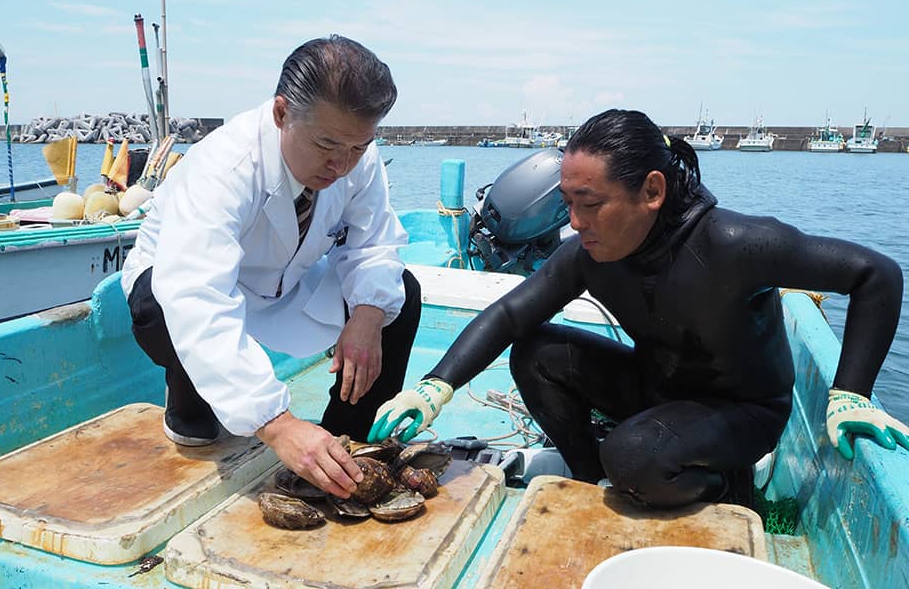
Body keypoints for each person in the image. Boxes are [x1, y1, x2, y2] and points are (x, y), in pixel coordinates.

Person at [369, 108, 907, 508]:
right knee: (536, 351)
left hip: (741, 414)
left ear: (652, 191)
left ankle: (725, 483)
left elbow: (875, 274)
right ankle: (588, 477)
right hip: (655, 390)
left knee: (632, 457)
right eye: (568, 204)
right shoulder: (591, 253)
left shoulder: (738, 244)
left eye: (592, 204)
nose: (575, 222)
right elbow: (512, 314)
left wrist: (851, 393)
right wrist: (435, 386)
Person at [121, 35, 421, 500]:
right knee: (168, 317)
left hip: (282, 287)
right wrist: (277, 425)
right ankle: (187, 398)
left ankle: (346, 449)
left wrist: (367, 317)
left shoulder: (355, 152)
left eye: (358, 148)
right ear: (282, 113)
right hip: (177, 287)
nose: (342, 165)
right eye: (326, 144)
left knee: (397, 293)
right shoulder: (224, 165)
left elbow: (375, 244)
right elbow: (196, 295)